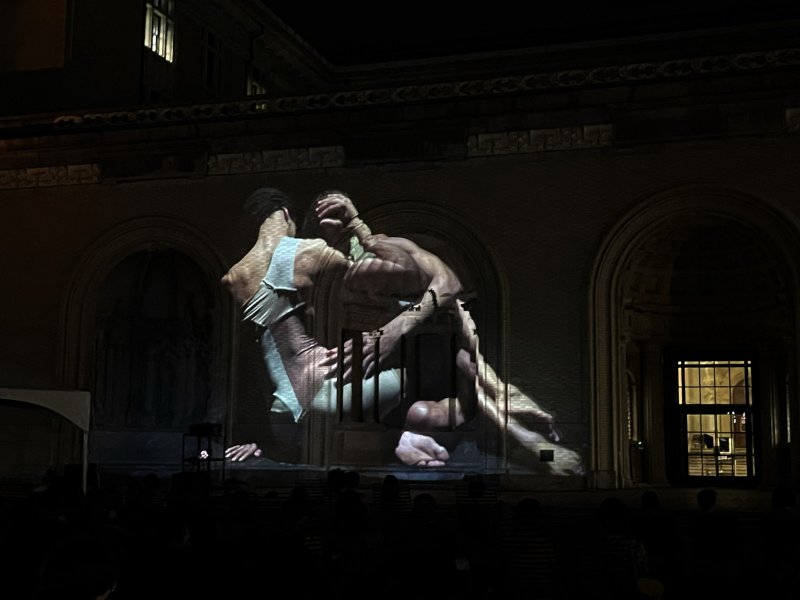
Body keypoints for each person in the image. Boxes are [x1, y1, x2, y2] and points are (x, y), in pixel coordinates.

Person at [224, 188, 581, 473]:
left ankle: (527, 433)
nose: (329, 229)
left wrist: (394, 328)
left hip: (411, 348)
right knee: (431, 411)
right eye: (321, 223)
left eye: (338, 218)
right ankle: (503, 419)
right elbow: (266, 357)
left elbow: (449, 283)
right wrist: (262, 435)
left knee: (466, 361)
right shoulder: (314, 272)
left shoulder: (377, 254)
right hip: (355, 382)